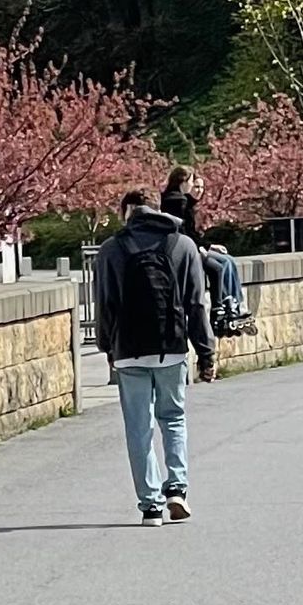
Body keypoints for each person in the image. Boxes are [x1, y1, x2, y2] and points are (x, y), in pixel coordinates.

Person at [94, 186, 216, 522]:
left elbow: (104, 303)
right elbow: (196, 305)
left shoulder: (111, 249)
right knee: (173, 418)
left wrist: (107, 347)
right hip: (171, 349)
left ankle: (150, 506)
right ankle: (176, 488)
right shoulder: (183, 245)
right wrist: (206, 353)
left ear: (127, 212)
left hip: (129, 350)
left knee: (138, 427)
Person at [161, 163, 246, 334]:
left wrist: (208, 246)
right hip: (184, 250)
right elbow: (184, 231)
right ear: (183, 182)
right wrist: (201, 248)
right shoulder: (179, 201)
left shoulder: (177, 200)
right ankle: (221, 308)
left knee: (227, 261)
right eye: (193, 183)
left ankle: (234, 303)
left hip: (188, 246)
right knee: (218, 267)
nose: (195, 188)